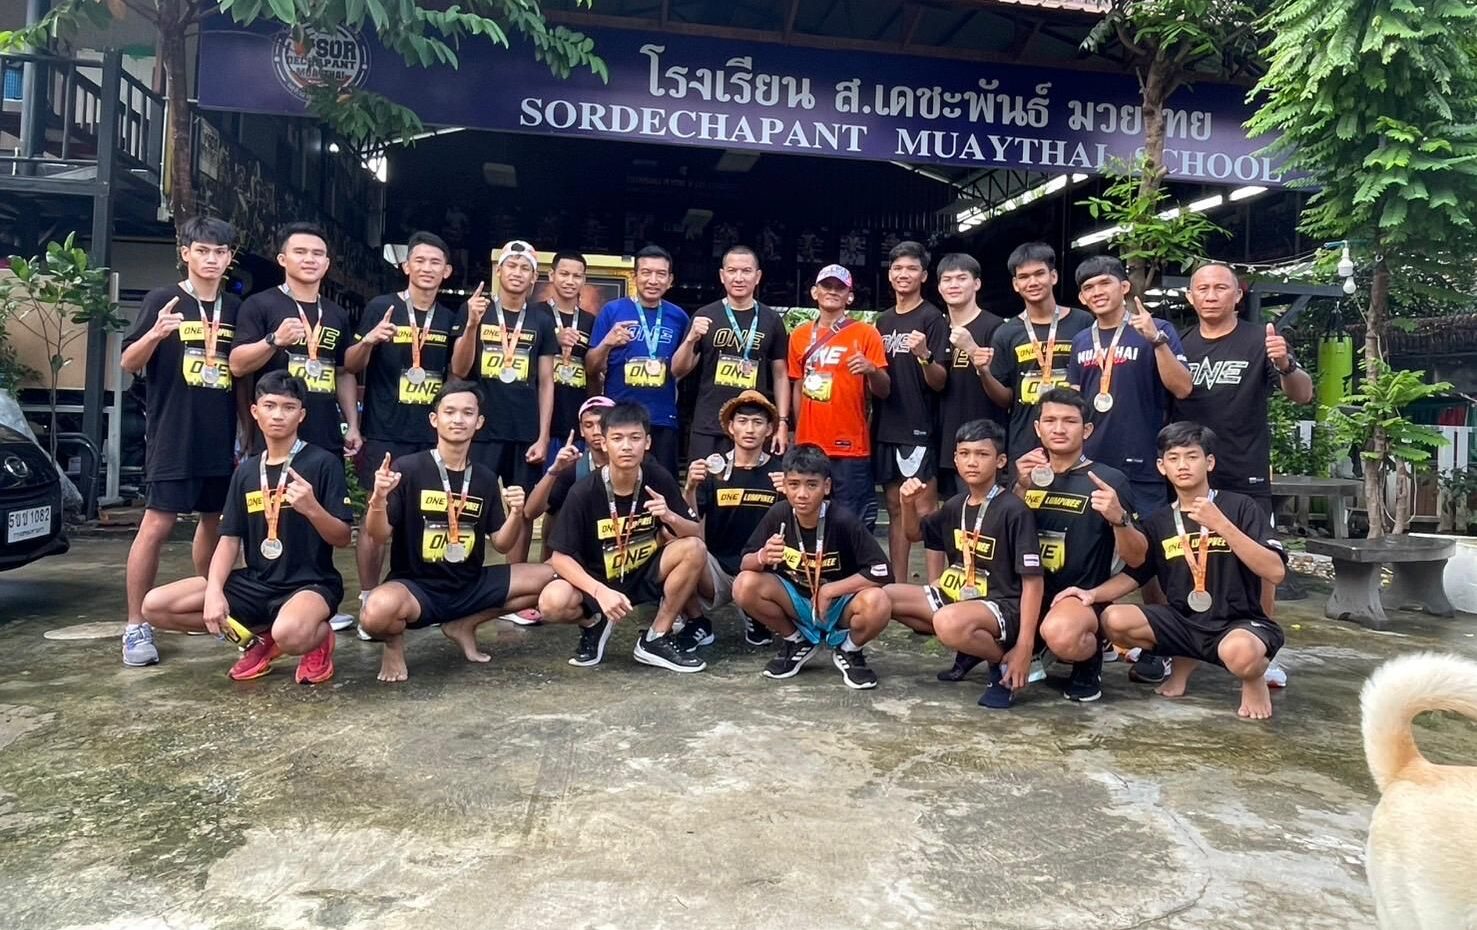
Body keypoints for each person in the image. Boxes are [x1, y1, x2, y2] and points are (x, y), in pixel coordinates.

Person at [1061, 422, 1288, 720]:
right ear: (1161, 467)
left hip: (1239, 622)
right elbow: (1136, 575)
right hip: (1184, 622)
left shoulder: (1240, 506)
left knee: (1241, 654)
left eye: (1192, 457)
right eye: (1173, 458)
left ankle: (1253, 679)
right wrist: (1092, 594)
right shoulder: (1158, 521)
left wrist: (1221, 525)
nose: (1183, 465)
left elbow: (1275, 571)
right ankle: (1182, 665)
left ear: (1209, 462)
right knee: (1113, 619)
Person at [138, 371, 354, 683]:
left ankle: (316, 639)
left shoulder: (322, 463)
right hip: (256, 583)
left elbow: (343, 537)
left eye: (288, 407)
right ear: (255, 412)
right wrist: (214, 592)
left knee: (291, 633)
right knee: (156, 606)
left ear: (301, 415)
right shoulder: (246, 471)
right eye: (269, 405)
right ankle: (260, 640)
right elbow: (229, 540)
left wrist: (313, 509)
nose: (278, 415)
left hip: (310, 584)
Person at [357, 380, 556, 683]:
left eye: (467, 413)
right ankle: (394, 646)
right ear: (434, 419)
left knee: (553, 578)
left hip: (470, 585)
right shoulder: (409, 468)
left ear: (479, 422)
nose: (458, 420)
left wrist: (517, 513)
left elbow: (502, 544)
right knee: (375, 613)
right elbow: (379, 534)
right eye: (449, 412)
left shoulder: (485, 478)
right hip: (417, 588)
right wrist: (378, 499)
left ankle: (464, 624)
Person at [1171, 262, 1313, 685]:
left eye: (1221, 287)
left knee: (1259, 566)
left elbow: (1302, 394)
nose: (1211, 295)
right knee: (1182, 559)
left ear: (1238, 294)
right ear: (1190, 297)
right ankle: (1179, 647)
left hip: (1244, 470)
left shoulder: (1259, 340)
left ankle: (1265, 648)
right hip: (1188, 474)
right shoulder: (1179, 345)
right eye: (1202, 288)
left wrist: (1285, 364)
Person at [120, 217, 244, 667]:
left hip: (220, 435)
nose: (211, 259)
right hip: (173, 434)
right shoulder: (163, 299)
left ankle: (210, 607)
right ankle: (136, 624)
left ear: (229, 259)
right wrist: (155, 333)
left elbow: (241, 372)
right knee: (157, 524)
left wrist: (247, 432)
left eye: (220, 252)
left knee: (215, 522)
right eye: (203, 250)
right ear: (185, 253)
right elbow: (128, 362)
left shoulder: (235, 308)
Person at [1066, 254, 1193, 684]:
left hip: (1141, 463)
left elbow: (1183, 387)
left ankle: (1163, 645)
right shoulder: (1081, 341)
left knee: (1151, 555)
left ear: (1124, 287)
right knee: (1092, 552)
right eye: (1088, 288)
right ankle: (1098, 635)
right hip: (1092, 465)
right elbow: (1074, 404)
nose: (1096, 292)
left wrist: (1156, 341)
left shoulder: (1157, 329)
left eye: (1104, 283)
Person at [536, 403, 710, 673]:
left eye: (635, 438)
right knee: (551, 602)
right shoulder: (583, 491)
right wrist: (599, 592)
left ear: (647, 442)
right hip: (598, 579)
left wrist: (670, 516)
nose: (626, 446)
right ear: (604, 443)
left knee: (694, 548)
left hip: (643, 571)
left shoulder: (658, 478)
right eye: (617, 438)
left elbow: (696, 533)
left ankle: (656, 637)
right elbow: (559, 558)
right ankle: (595, 624)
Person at [885, 419, 1044, 708]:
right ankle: (973, 646)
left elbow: (1033, 582)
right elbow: (914, 534)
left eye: (982, 454)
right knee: (884, 598)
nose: (972, 462)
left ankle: (1004, 663)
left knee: (947, 622)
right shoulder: (956, 504)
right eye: (965, 454)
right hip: (960, 595)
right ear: (955, 459)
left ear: (1000, 461)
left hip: (1002, 603)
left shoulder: (1013, 510)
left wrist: (1025, 644)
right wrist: (907, 503)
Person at [345, 231, 460, 628]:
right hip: (385, 431)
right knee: (375, 518)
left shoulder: (449, 319)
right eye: (420, 261)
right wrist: (369, 340)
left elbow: (457, 373)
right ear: (406, 266)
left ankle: (419, 595)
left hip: (431, 435)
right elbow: (350, 365)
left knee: (424, 518)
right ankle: (367, 597)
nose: (427, 268)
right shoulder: (382, 307)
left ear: (447, 271)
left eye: (435, 263)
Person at [1013, 388, 1146, 703]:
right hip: (1026, 590)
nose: (1059, 429)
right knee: (970, 623)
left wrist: (1119, 519)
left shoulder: (1109, 480)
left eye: (1069, 421)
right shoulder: (1026, 476)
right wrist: (1019, 487)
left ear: (1086, 430)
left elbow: (1138, 558)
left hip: (1078, 596)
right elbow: (1006, 535)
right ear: (1038, 428)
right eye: (1050, 421)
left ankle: (1088, 656)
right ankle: (1036, 649)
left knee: (1062, 634)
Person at [731, 445, 895, 689]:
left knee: (879, 601)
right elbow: (745, 561)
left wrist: (831, 590)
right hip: (797, 602)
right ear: (784, 485)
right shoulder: (779, 514)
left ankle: (849, 650)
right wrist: (762, 556)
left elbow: (882, 570)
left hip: (838, 606)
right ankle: (796, 641)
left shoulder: (843, 519)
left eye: (811, 485)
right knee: (744, 584)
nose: (802, 494)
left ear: (826, 487)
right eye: (794, 484)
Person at [450, 239, 556, 562]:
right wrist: (472, 324)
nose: (517, 273)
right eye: (511, 265)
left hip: (524, 430)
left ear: (534, 278)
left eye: (525, 268)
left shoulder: (541, 319)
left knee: (521, 509)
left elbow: (546, 381)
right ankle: (467, 571)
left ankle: (517, 578)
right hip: (482, 428)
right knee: (470, 501)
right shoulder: (475, 309)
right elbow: (459, 369)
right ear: (499, 270)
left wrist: (543, 436)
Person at [230, 222, 362, 463]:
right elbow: (237, 365)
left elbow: (343, 373)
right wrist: (274, 340)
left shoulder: (337, 313)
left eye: (317, 254)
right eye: (300, 252)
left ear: (326, 264)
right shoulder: (259, 304)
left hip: (326, 435)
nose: (309, 259)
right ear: (282, 259)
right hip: (274, 435)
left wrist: (352, 424)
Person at [681, 389, 786, 650]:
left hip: (759, 571)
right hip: (716, 570)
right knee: (675, 551)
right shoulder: (712, 469)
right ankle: (696, 622)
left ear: (769, 429)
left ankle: (756, 613)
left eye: (757, 422)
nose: (749, 429)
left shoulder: (781, 473)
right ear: (731, 427)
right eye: (742, 421)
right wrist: (690, 488)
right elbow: (687, 521)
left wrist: (791, 496)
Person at [787, 264, 889, 530]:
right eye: (826, 286)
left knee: (853, 522)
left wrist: (871, 369)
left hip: (850, 446)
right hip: (809, 443)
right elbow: (798, 385)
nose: (832, 292)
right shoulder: (799, 335)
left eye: (839, 288)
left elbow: (884, 390)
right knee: (806, 516)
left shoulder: (866, 333)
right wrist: (796, 430)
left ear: (849, 296)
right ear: (814, 292)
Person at [872, 240, 950, 582]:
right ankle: (898, 586)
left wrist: (924, 355)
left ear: (924, 276)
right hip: (885, 427)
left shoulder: (932, 318)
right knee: (895, 508)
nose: (904, 274)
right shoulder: (882, 320)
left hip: (919, 428)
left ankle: (934, 589)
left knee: (926, 509)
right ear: (890, 275)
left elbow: (940, 381)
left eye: (912, 268)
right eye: (898, 268)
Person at [671, 245, 790, 461]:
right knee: (703, 479)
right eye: (732, 271)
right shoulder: (705, 315)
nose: (739, 278)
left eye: (746, 271)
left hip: (754, 425)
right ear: (722, 275)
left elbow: (781, 375)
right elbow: (677, 370)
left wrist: (782, 422)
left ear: (757, 276)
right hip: (709, 423)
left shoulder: (771, 320)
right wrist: (690, 339)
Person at [984, 242, 1093, 465]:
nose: (1032, 282)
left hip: (1076, 438)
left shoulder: (1084, 322)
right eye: (1024, 277)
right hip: (1025, 440)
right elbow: (1005, 398)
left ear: (1053, 276)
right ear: (1015, 284)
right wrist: (983, 372)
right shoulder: (1005, 333)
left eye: (1039, 274)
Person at [585, 244, 690, 476]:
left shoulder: (679, 317)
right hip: (618, 416)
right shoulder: (612, 311)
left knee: (662, 484)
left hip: (662, 417)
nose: (653, 280)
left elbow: (684, 368)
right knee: (616, 482)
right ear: (635, 277)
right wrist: (607, 343)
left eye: (660, 274)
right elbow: (590, 368)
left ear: (670, 280)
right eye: (646, 272)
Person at [933, 253, 1006, 500]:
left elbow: (1004, 389)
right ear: (939, 287)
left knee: (984, 511)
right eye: (947, 279)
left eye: (961, 278)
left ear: (976, 283)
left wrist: (972, 348)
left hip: (982, 443)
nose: (954, 285)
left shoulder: (996, 327)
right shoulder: (936, 328)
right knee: (951, 513)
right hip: (944, 443)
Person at [525, 395, 615, 535]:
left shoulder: (634, 463)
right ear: (581, 430)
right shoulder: (574, 468)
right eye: (589, 425)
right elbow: (530, 512)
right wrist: (554, 470)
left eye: (602, 424)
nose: (596, 432)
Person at [542, 250, 597, 466]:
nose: (570, 281)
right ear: (551, 275)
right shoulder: (535, 314)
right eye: (564, 274)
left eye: (577, 276)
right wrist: (554, 339)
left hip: (576, 417)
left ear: (584, 280)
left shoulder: (591, 321)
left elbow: (593, 371)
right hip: (540, 420)